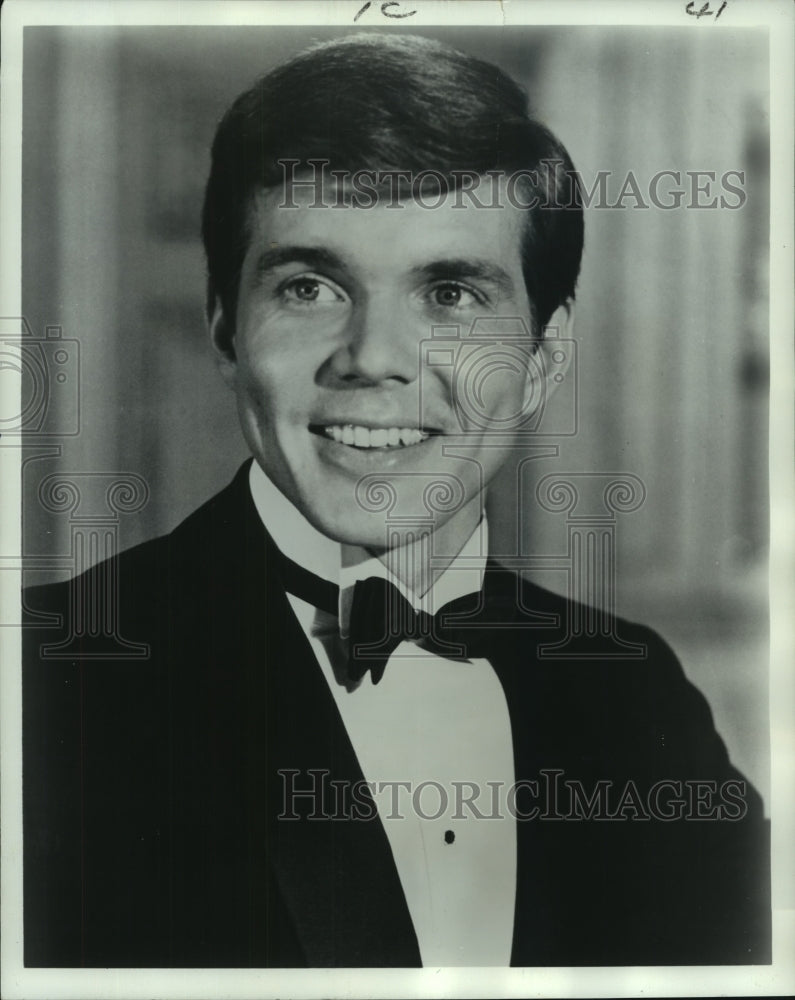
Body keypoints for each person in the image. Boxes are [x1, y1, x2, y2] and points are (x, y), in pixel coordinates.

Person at [22, 32, 769, 968]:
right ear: (223, 326)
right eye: (309, 286)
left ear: (543, 358)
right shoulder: (47, 688)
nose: (373, 358)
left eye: (450, 292)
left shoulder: (632, 697)